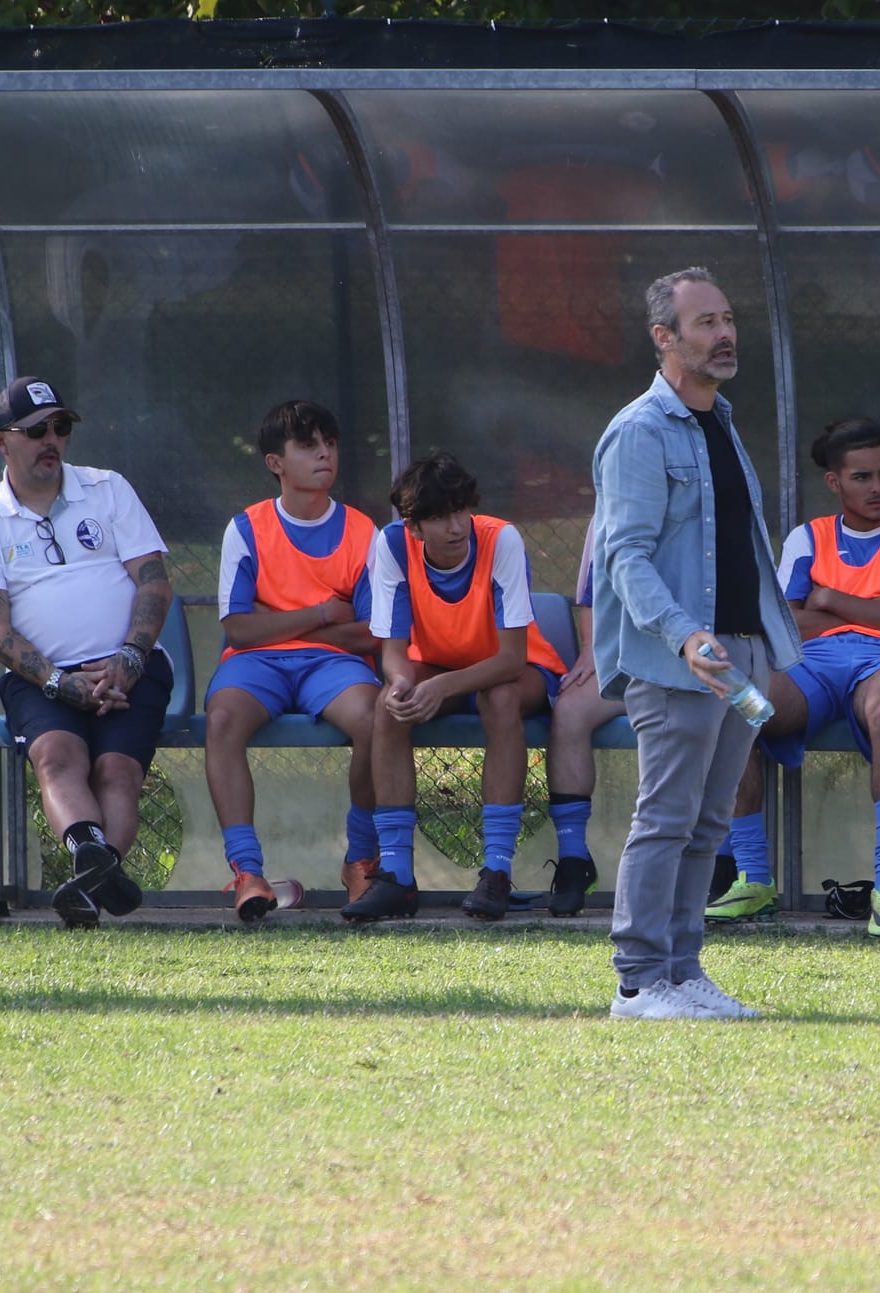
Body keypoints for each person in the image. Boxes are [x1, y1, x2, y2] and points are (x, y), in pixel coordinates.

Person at [592, 266, 802, 1021]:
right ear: (663, 338)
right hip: (679, 661)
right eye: (705, 322)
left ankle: (681, 973)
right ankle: (638, 982)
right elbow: (626, 556)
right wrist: (685, 637)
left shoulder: (720, 419)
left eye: (728, 317)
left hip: (740, 655)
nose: (725, 333)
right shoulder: (640, 431)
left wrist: (757, 648)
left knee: (710, 824)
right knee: (667, 818)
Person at [705, 416, 880, 935]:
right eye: (862, 477)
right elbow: (783, 621)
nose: (878, 487)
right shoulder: (808, 538)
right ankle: (753, 880)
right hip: (814, 664)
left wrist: (833, 599)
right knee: (741, 703)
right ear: (834, 482)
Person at [0, 376, 172, 927]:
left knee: (117, 771)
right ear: (1, 442)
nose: (52, 439)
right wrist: (57, 681)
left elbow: (154, 583)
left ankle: (90, 881)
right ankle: (96, 870)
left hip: (131, 666)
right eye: (36, 430)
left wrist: (129, 659)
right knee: (58, 758)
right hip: (40, 680)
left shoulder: (107, 490)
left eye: (61, 427)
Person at [342, 454, 567, 923]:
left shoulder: (500, 538)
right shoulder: (391, 545)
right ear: (414, 526)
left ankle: (497, 872)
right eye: (439, 515)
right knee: (390, 703)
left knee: (500, 698)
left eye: (461, 508)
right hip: (437, 669)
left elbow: (509, 659)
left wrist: (441, 686)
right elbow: (393, 652)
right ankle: (398, 876)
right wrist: (403, 682)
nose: (455, 524)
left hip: (517, 670)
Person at [204, 399, 381, 923]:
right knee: (222, 719)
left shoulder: (362, 530)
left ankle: (361, 859)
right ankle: (248, 872)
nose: (325, 455)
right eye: (308, 446)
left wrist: (277, 617)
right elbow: (238, 628)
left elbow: (372, 632)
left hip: (335, 660)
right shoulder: (247, 528)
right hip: (255, 661)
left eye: (330, 444)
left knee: (376, 718)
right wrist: (324, 610)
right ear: (274, 462)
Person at [542, 530, 627, 916]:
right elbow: (592, 596)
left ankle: (726, 861)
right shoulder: (611, 505)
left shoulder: (704, 497)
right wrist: (591, 650)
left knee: (719, 709)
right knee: (569, 710)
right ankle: (574, 859)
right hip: (626, 663)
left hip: (689, 659)